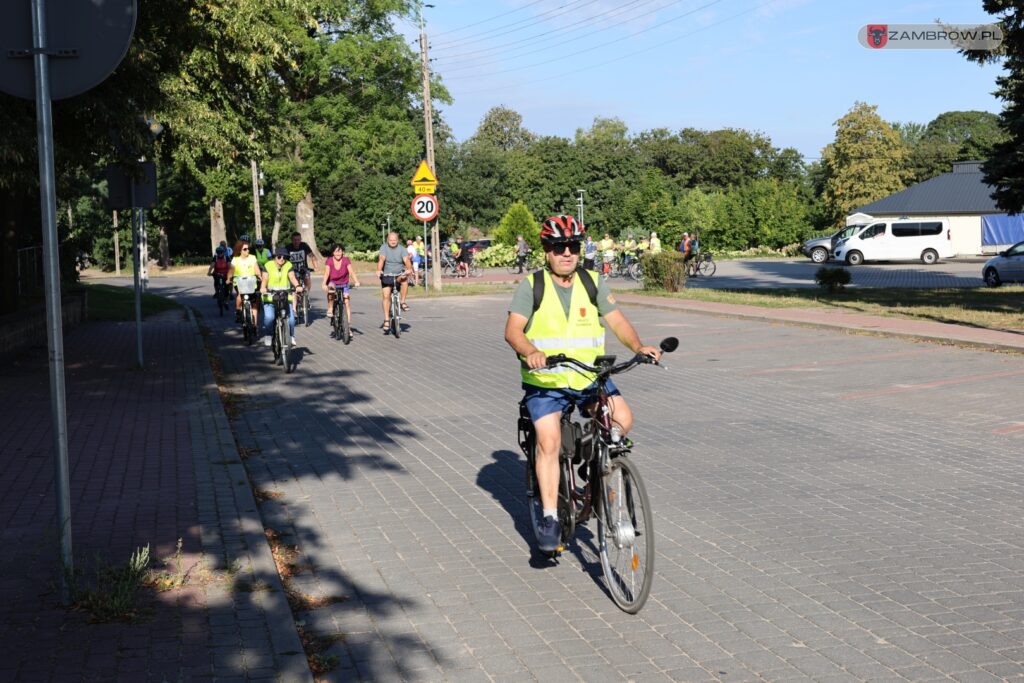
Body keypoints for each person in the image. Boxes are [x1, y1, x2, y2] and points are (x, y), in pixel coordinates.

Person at [503, 214, 662, 553]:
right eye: (559, 247)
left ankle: (594, 476)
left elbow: (617, 321)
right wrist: (530, 351)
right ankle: (549, 516)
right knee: (549, 439)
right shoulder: (532, 286)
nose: (567, 253)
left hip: (588, 378)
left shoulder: (592, 282)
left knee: (622, 420)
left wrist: (638, 347)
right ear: (546, 251)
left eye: (572, 246)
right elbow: (513, 331)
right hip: (546, 382)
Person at [260, 247, 302, 347]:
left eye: (285, 257)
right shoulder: (268, 265)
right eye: (279, 256)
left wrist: (297, 286)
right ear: (275, 256)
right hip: (270, 297)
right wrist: (263, 288)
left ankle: (291, 336)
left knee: (291, 319)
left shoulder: (288, 265)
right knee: (269, 318)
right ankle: (268, 335)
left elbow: (292, 277)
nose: (282, 258)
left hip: (285, 297)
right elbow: (265, 279)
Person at [376, 231, 412, 333]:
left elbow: (407, 261)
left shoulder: (402, 249)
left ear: (397, 240)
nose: (393, 242)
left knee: (404, 278)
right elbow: (381, 259)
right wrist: (379, 270)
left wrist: (409, 269)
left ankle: (402, 302)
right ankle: (387, 319)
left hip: (398, 275)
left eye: (394, 240)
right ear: (388, 240)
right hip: (387, 275)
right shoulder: (383, 248)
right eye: (391, 240)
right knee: (386, 296)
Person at [322, 243, 360, 334]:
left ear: (342, 252)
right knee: (331, 289)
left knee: (346, 302)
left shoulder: (346, 260)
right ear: (333, 252)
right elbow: (327, 273)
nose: (338, 253)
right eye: (336, 251)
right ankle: (330, 308)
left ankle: (348, 326)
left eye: (340, 251)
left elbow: (351, 272)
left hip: (344, 284)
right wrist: (323, 284)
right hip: (333, 283)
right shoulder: (329, 261)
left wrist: (356, 281)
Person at [227, 242, 260, 324]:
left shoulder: (252, 258)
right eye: (245, 249)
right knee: (240, 294)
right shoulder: (235, 259)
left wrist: (259, 275)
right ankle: (238, 311)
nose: (247, 250)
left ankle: (255, 325)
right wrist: (228, 278)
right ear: (240, 250)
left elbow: (256, 268)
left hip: (251, 282)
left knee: (255, 304)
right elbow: (231, 270)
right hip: (239, 282)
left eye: (248, 248)